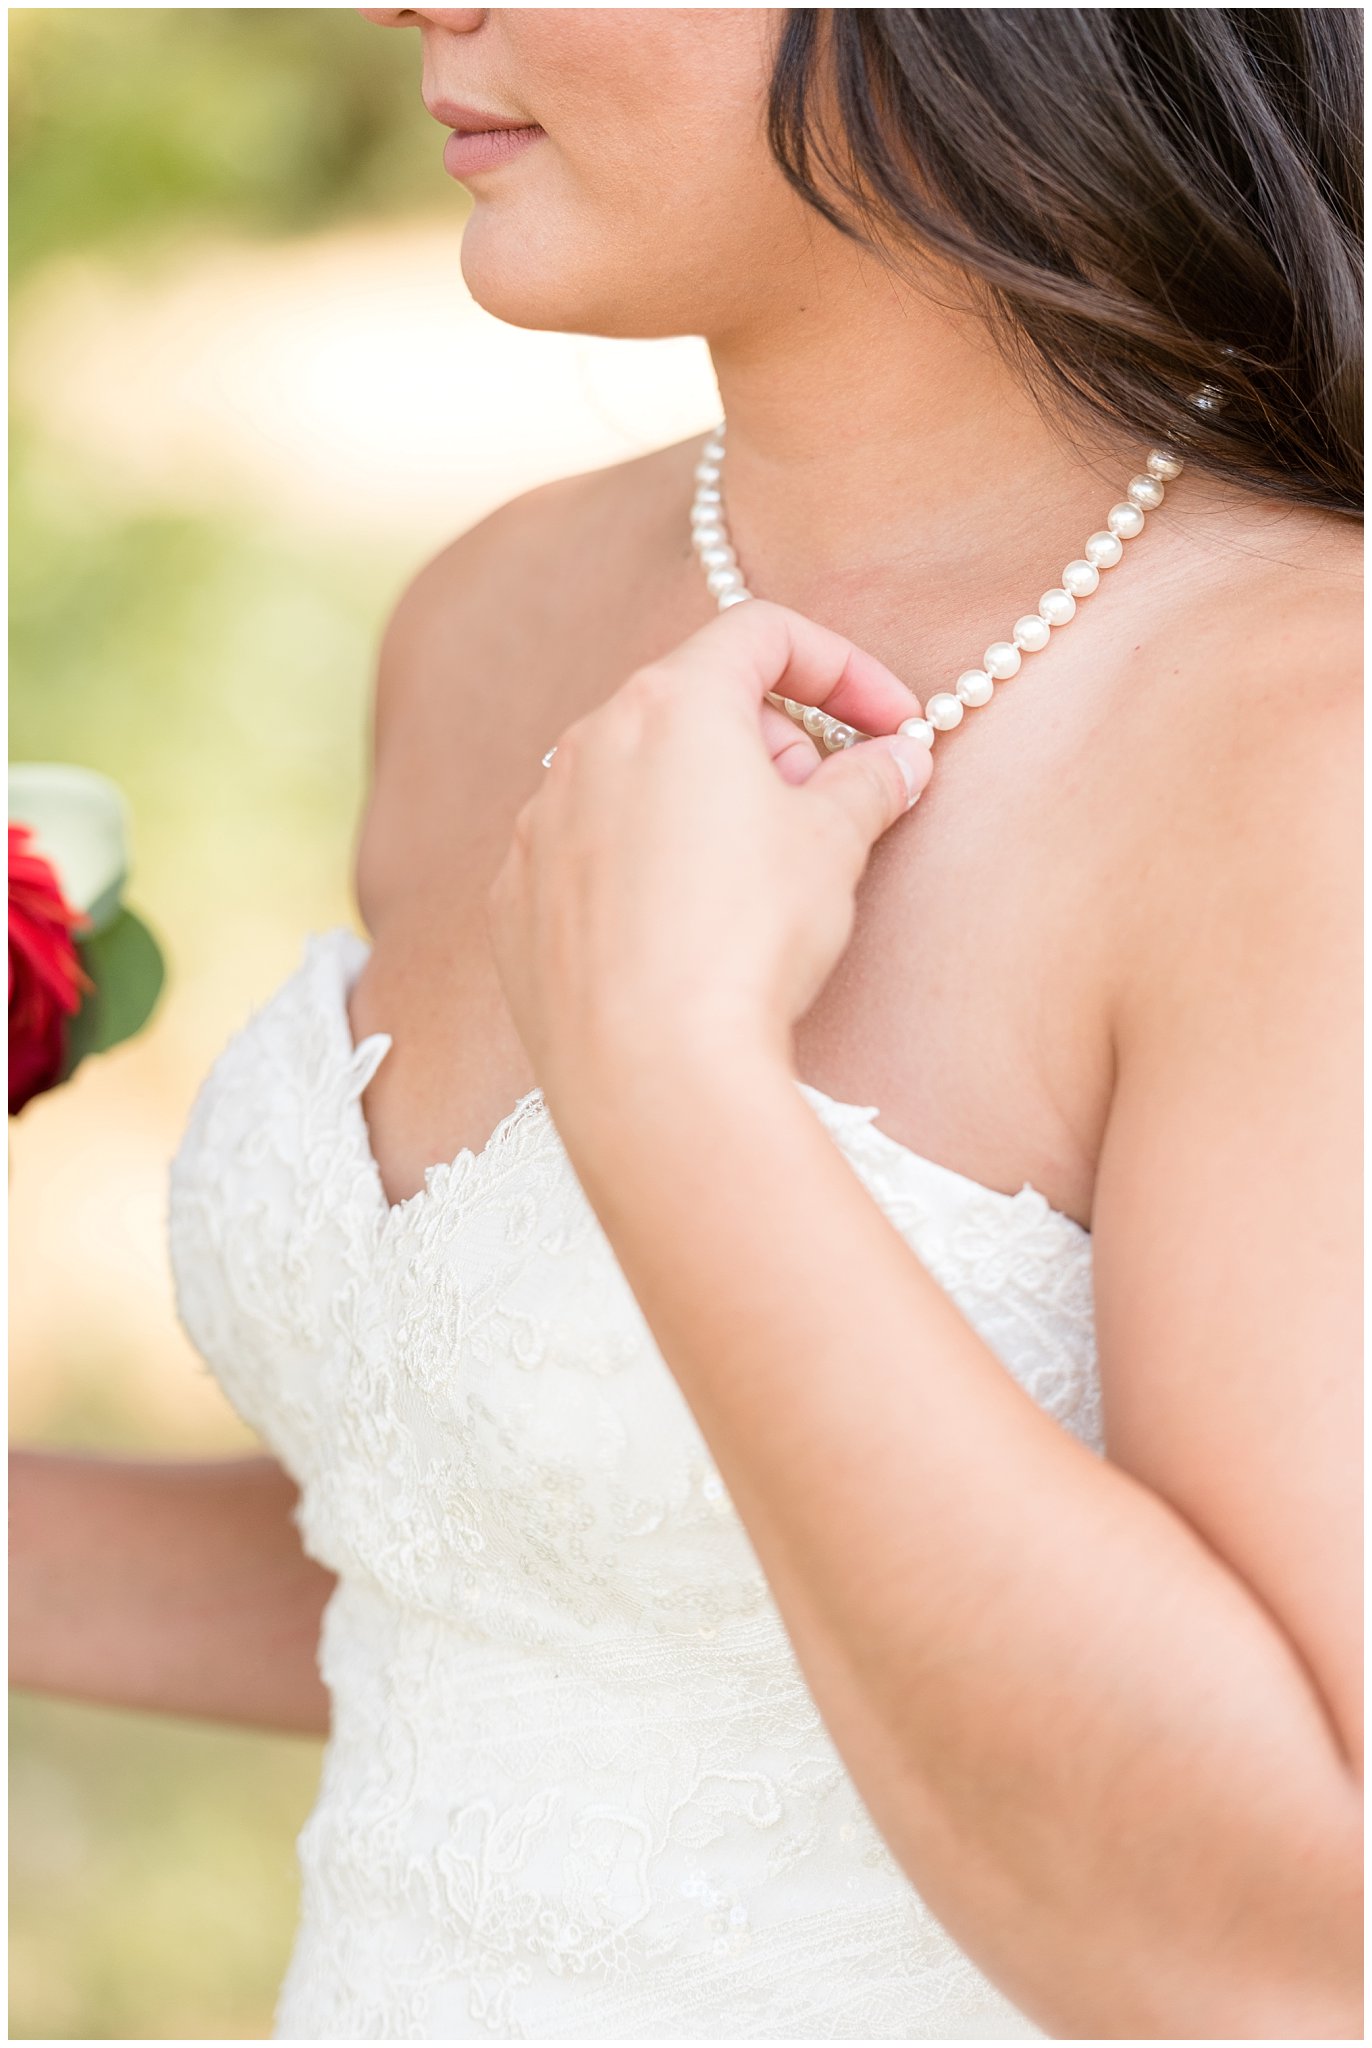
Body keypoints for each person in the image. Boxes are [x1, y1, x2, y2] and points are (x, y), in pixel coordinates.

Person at [11, 9, 1361, 2038]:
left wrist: (670, 1077)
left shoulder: (1300, 741)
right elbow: (542, 1575)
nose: (411, 3)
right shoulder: (488, 615)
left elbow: (1270, 1948)